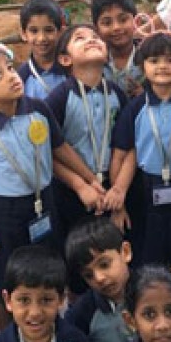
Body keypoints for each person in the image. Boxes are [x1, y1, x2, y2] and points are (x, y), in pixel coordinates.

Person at [0, 44, 98, 330]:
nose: (11, 76)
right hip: (4, 214)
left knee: (49, 268)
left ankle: (50, 331)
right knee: (6, 279)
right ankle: (8, 340)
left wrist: (90, 179)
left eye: (10, 68)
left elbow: (60, 149)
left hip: (44, 203)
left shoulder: (38, 109)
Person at [111, 32, 171, 266]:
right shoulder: (134, 109)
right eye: (154, 61)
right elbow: (120, 156)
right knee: (147, 253)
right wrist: (119, 203)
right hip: (144, 189)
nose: (162, 66)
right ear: (143, 67)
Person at [45, 25, 129, 258]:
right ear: (65, 59)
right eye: (80, 38)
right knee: (76, 255)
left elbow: (127, 146)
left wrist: (119, 192)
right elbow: (47, 153)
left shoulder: (117, 94)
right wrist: (80, 185)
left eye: (95, 37)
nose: (91, 40)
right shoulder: (59, 98)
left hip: (112, 189)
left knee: (112, 251)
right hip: (71, 190)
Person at [93, 0, 144, 97]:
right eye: (107, 23)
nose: (116, 27)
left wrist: (145, 95)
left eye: (123, 20)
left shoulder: (150, 57)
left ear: (137, 21)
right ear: (96, 29)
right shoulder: (93, 63)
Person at [18, 0, 68, 99]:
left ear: (60, 32)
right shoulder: (21, 77)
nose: (41, 38)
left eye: (49, 30)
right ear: (23, 34)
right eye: (34, 31)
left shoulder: (72, 68)